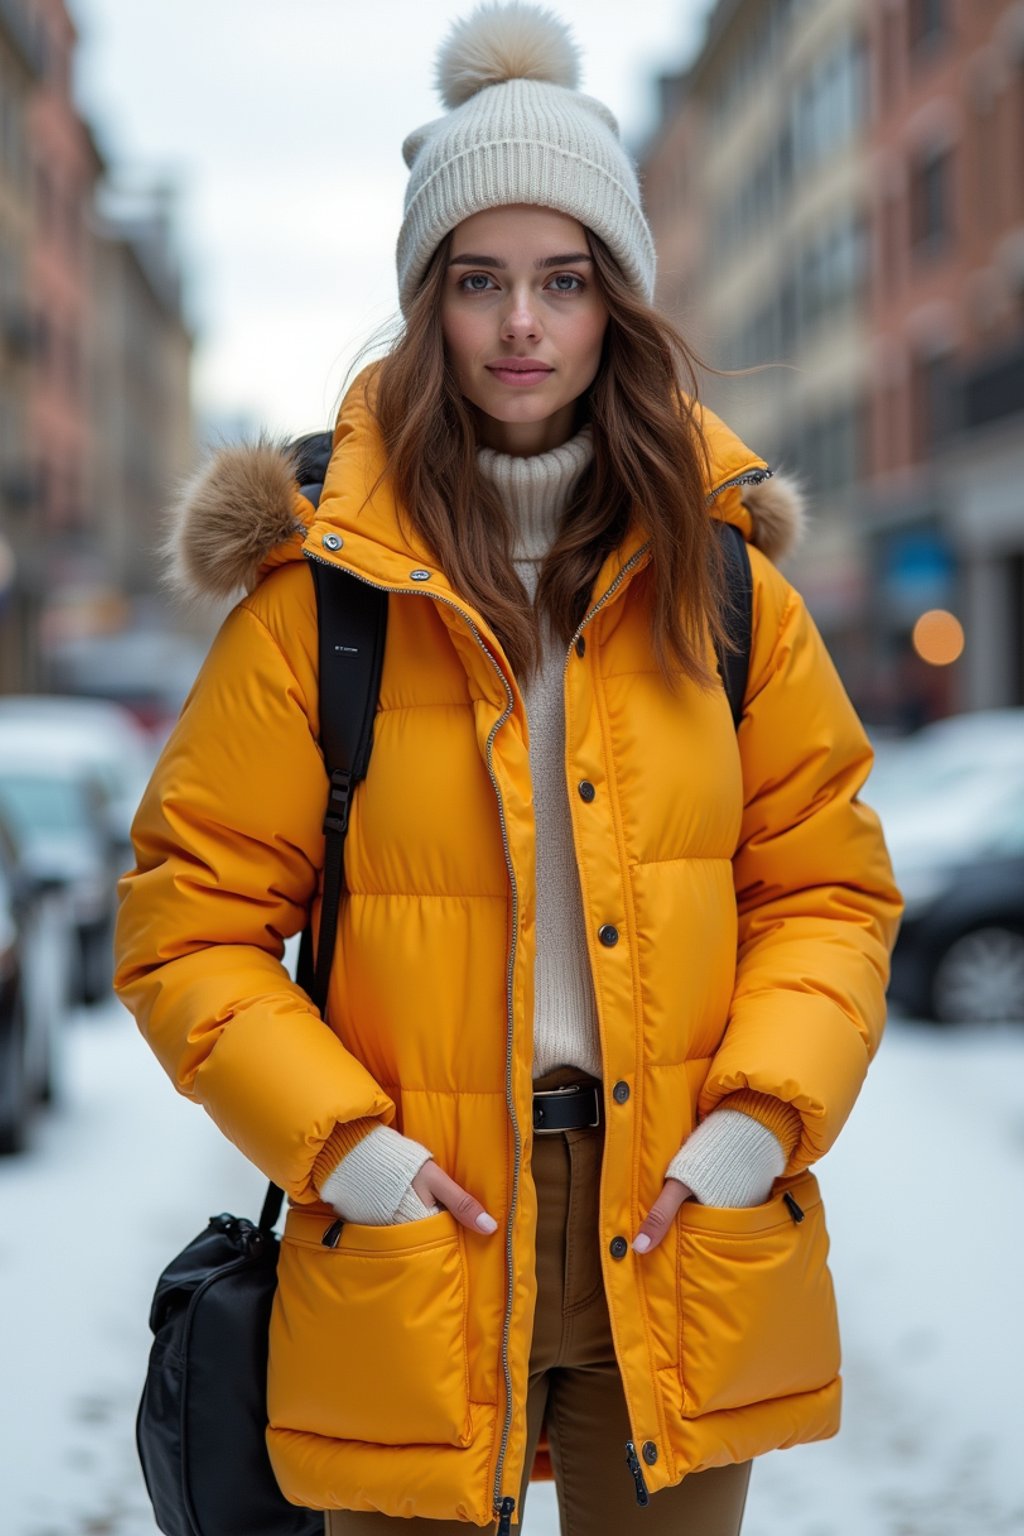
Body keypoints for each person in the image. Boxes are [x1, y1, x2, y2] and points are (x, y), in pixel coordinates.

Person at [114, 4, 903, 1533]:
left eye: (563, 281)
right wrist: (353, 1156)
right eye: (480, 283)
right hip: (419, 1234)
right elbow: (186, 920)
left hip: (676, 1216)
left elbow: (829, 887)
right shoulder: (320, 599)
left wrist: (755, 1129)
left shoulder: (729, 591)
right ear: (429, 304)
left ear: (618, 303)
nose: (522, 325)